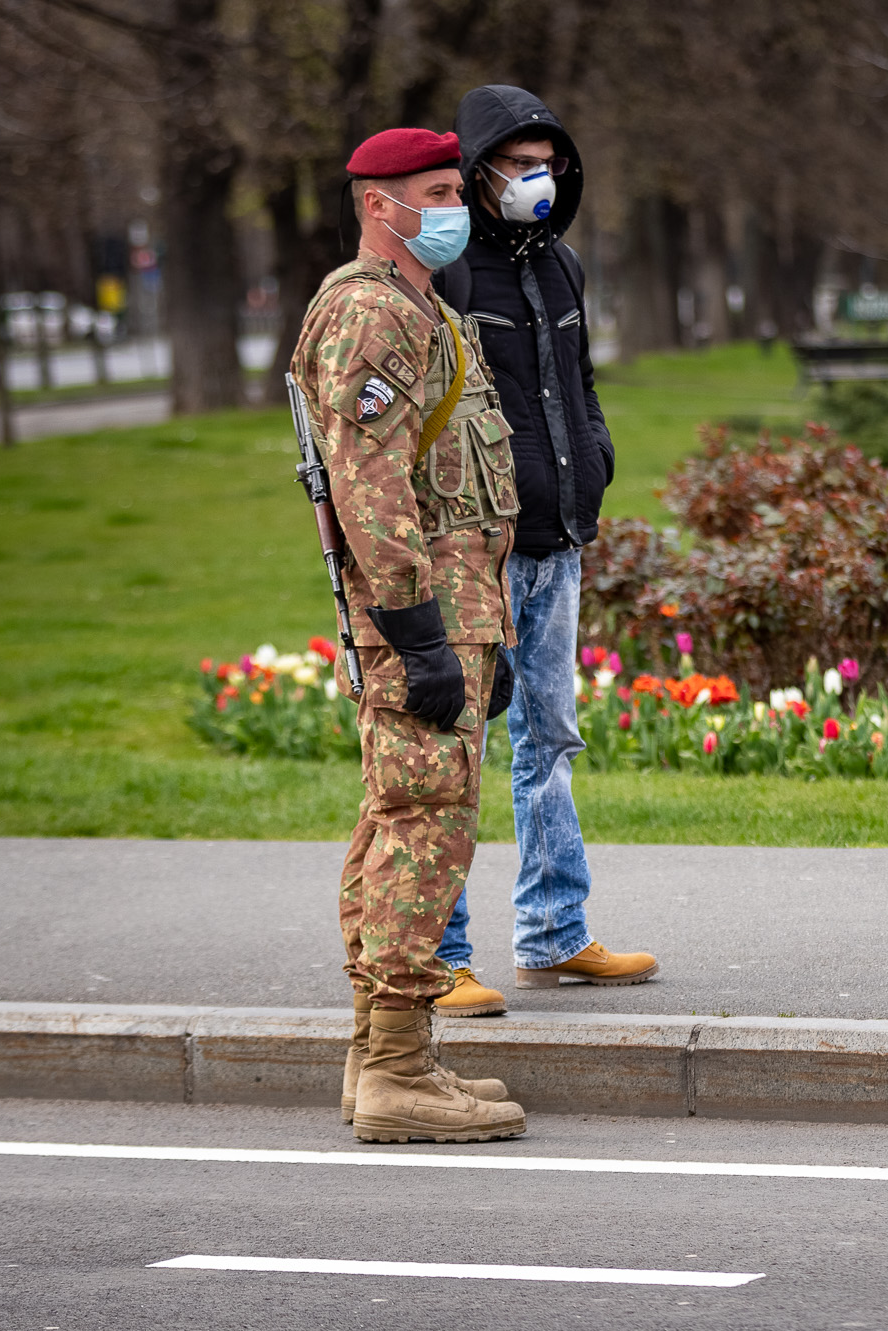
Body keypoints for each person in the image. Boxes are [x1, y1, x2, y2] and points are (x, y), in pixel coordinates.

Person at [290, 126, 527, 1142]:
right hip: (415, 615)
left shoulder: (419, 308)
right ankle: (396, 1067)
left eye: (455, 190)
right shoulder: (369, 314)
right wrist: (420, 635)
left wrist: (486, 631)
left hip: (451, 608)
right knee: (425, 827)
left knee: (403, 818)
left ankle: (376, 1059)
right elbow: (369, 486)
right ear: (379, 205)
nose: (454, 209)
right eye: (434, 191)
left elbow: (459, 481)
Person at [426, 83, 658, 1013]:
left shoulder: (562, 268)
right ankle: (438, 954)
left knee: (550, 738)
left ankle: (555, 933)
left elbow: (581, 383)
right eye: (520, 167)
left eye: (550, 164)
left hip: (559, 538)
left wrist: (596, 462)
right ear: (479, 174)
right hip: (474, 551)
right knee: (453, 748)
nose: (539, 180)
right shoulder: (447, 276)